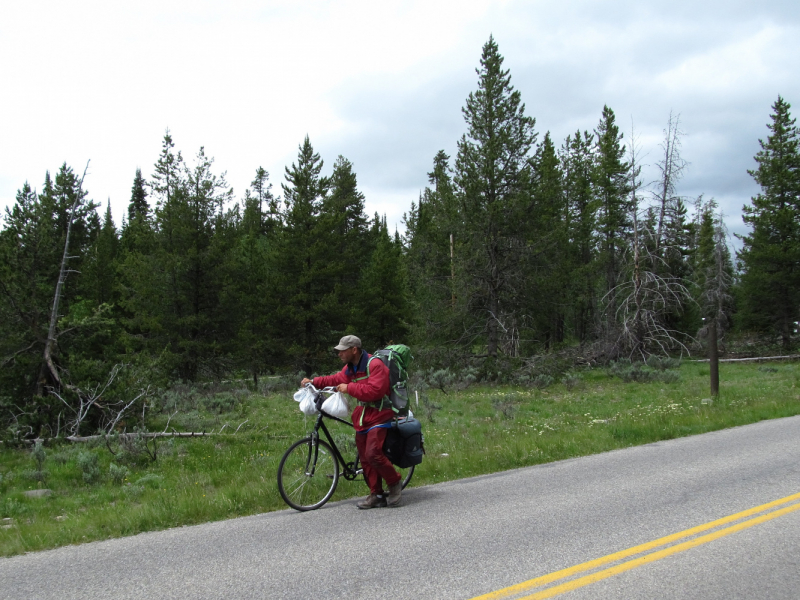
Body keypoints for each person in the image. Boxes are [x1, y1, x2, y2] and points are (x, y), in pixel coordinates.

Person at [301, 335, 403, 508]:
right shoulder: (350, 368)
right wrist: (314, 382)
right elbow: (335, 379)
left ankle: (394, 483)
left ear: (354, 350)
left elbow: (376, 391)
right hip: (363, 415)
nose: (339, 354)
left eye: (342, 350)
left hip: (380, 413)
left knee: (373, 453)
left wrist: (350, 388)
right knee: (364, 457)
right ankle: (376, 493)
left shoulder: (375, 365)